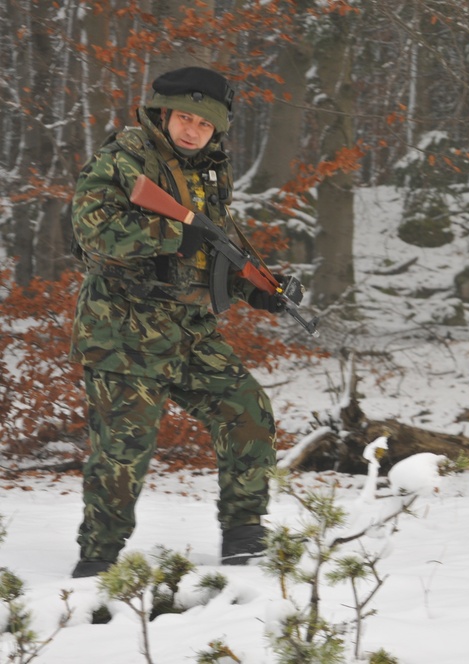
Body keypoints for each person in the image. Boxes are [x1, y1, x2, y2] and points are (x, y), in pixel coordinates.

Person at [69, 66, 298, 578]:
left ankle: (244, 537)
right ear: (164, 113)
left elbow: (221, 252)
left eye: (205, 123)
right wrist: (170, 235)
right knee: (123, 452)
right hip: (123, 331)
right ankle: (97, 562)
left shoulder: (212, 171)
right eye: (185, 118)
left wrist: (261, 290)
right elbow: (91, 230)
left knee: (248, 413)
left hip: (189, 330)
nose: (193, 130)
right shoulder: (124, 158)